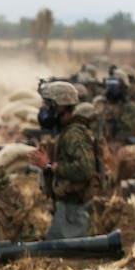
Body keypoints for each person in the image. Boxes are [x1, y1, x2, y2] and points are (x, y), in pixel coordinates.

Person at [27, 82, 99, 239]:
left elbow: (86, 169)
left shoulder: (73, 135)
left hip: (74, 213)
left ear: (61, 108)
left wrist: (50, 165)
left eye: (48, 106)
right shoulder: (67, 132)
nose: (44, 111)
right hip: (68, 210)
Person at [99, 75, 135, 146]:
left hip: (129, 144)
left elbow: (126, 130)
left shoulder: (130, 107)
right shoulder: (107, 106)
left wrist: (114, 144)